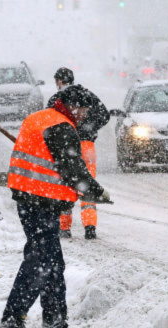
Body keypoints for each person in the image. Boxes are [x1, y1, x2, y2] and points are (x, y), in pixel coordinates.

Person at [0, 84, 111, 328]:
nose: (84, 115)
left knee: (50, 261)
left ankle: (55, 320)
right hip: (40, 201)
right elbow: (71, 168)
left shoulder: (39, 118)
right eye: (82, 109)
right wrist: (95, 190)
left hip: (30, 199)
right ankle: (13, 319)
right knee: (41, 262)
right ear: (71, 105)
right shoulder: (61, 126)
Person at [48, 67, 110, 239]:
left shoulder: (57, 99)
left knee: (66, 183)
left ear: (59, 81)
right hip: (87, 146)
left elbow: (48, 122)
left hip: (66, 145)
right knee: (87, 184)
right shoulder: (87, 95)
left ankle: (64, 227)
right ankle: (90, 227)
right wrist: (89, 129)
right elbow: (105, 115)